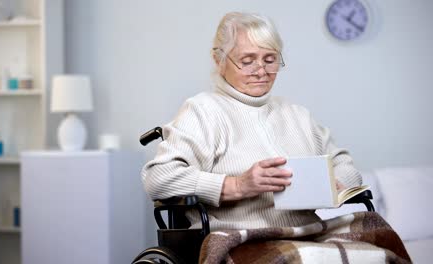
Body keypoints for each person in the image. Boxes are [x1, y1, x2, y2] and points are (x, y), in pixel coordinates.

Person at [142, 12, 362, 231]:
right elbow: (158, 178)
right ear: (219, 60)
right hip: (243, 239)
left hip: (309, 234)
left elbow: (345, 164)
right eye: (247, 61)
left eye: (270, 60)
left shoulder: (297, 115)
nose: (261, 71)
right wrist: (237, 185)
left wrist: (337, 185)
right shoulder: (203, 111)